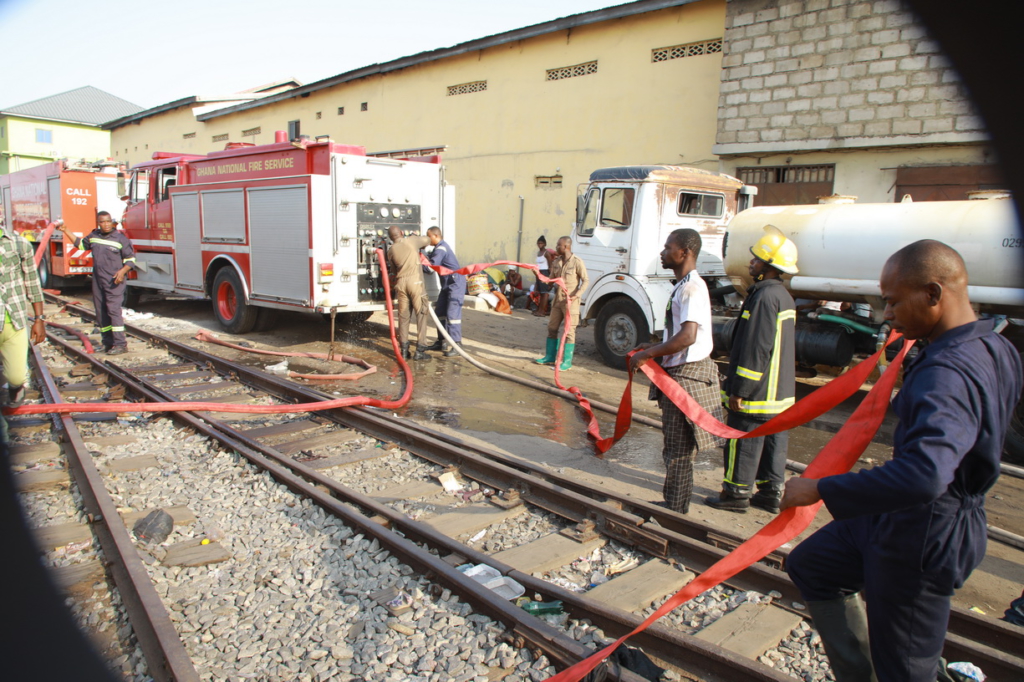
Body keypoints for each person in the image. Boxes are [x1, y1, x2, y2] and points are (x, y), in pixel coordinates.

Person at [781, 239, 1022, 681]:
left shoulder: (946, 371)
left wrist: (820, 488)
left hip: (926, 530)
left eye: (892, 302)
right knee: (812, 564)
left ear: (932, 293)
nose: (886, 314)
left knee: (907, 670)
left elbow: (926, 475)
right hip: (903, 513)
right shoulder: (997, 346)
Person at [628, 229, 724, 513]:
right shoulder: (682, 286)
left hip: (688, 376)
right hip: (680, 373)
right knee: (675, 444)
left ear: (684, 253)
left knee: (680, 448)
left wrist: (648, 354)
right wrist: (655, 344)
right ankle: (674, 502)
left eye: (668, 247)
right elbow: (678, 335)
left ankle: (676, 507)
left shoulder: (692, 288)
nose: (662, 252)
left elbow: (687, 338)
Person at [706, 225, 797, 514]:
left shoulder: (764, 298)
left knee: (743, 438)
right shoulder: (782, 296)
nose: (751, 263)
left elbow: (757, 347)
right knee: (773, 441)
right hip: (779, 393)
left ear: (768, 267)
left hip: (757, 392)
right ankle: (770, 493)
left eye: (756, 260)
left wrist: (740, 389)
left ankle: (735, 494)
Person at [58, 212, 136, 354]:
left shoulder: (120, 239)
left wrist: (122, 271)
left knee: (113, 311)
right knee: (101, 312)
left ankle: (120, 344)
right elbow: (80, 245)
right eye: (102, 222)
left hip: (114, 281)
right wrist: (65, 230)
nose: (106, 225)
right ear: (98, 223)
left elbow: (131, 260)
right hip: (98, 281)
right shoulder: (94, 237)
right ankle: (107, 343)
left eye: (108, 222)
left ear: (112, 222)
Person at [0, 221, 46, 411]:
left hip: (14, 320)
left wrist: (39, 319)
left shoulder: (19, 244)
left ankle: (15, 387)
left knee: (16, 376)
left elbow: (32, 282)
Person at [534, 236, 588, 371]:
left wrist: (577, 295)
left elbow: (585, 280)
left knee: (569, 331)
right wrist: (538, 274)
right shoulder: (556, 262)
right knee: (552, 328)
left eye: (559, 245)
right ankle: (550, 357)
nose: (556, 247)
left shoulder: (577, 262)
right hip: (558, 301)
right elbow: (550, 280)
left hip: (571, 302)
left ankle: (567, 362)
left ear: (566, 247)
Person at [386, 225, 432, 361]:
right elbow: (428, 240)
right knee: (422, 313)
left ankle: (404, 350)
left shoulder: (391, 250)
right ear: (401, 233)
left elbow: (393, 270)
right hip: (415, 282)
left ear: (390, 237)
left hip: (401, 284)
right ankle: (420, 349)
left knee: (403, 317)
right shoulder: (411, 240)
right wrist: (415, 236)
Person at [423, 227, 465, 357]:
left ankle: (457, 344)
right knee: (440, 312)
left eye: (428, 236)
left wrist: (419, 262)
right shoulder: (438, 248)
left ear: (436, 236)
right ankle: (441, 341)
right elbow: (430, 258)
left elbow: (430, 268)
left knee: (452, 315)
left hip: (455, 284)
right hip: (447, 285)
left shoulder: (441, 249)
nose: (427, 239)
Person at [532, 236, 556, 317]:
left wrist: (550, 278)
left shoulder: (547, 253)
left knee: (544, 293)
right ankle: (539, 309)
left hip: (545, 273)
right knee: (540, 293)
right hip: (538, 272)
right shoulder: (538, 253)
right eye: (538, 243)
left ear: (545, 244)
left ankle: (542, 311)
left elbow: (550, 266)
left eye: (541, 243)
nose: (540, 245)